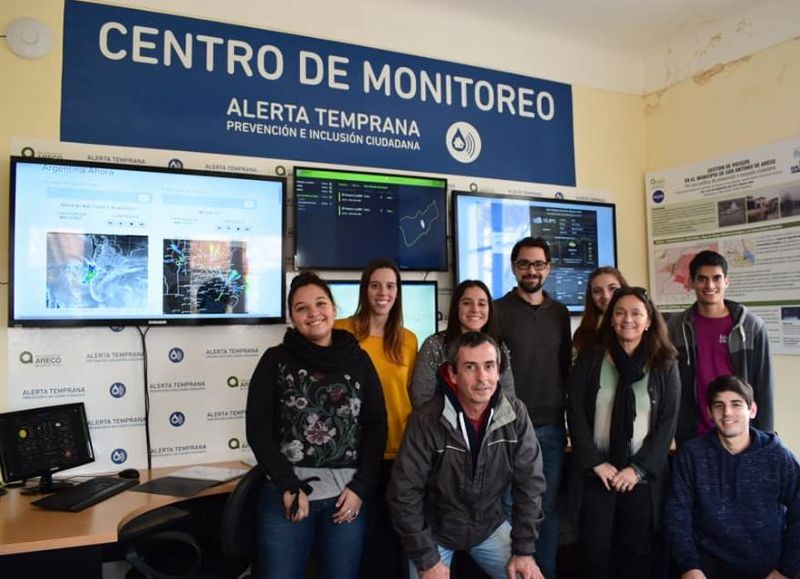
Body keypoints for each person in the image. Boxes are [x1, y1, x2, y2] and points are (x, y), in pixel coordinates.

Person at [245, 271, 388, 579]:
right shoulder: (275, 360)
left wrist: (361, 488)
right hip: (289, 496)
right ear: (292, 317)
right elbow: (258, 429)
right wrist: (286, 484)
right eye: (301, 308)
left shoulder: (359, 360)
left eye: (320, 303)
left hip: (346, 499)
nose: (313, 313)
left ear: (334, 309)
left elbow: (376, 427)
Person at [388, 331, 546, 579]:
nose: (482, 377)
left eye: (489, 366)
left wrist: (524, 550)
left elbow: (531, 484)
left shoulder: (515, 413)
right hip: (434, 533)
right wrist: (427, 559)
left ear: (498, 370)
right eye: (470, 367)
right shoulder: (426, 420)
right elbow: (404, 493)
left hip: (488, 526)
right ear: (453, 374)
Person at [567, 286, 680, 579]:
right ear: (611, 318)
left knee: (637, 554)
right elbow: (575, 410)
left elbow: (668, 422)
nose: (627, 319)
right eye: (619, 312)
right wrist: (594, 462)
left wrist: (638, 469)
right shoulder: (592, 358)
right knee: (594, 553)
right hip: (598, 473)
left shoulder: (664, 363)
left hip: (640, 477)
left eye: (635, 313)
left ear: (649, 320)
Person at [664, 375, 800, 579]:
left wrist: (786, 570)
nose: (727, 413)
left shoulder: (778, 456)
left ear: (752, 410)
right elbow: (677, 515)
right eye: (719, 405)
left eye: (736, 404)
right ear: (710, 412)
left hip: (767, 571)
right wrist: (689, 566)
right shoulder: (692, 455)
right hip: (704, 570)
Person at [335, 257, 418, 579]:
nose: (383, 292)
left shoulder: (408, 339)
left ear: (397, 292)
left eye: (390, 286)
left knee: (392, 539)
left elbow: (413, 395)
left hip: (398, 452)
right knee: (358, 542)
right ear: (364, 290)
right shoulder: (342, 331)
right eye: (375, 285)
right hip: (353, 455)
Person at [494, 236, 571, 579]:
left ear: (548, 269)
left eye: (538, 264)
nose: (531, 271)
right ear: (513, 267)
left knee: (546, 509)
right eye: (524, 264)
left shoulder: (560, 313)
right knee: (511, 508)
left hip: (552, 427)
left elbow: (565, 368)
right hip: (509, 428)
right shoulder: (497, 311)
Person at [666, 249, 774, 446]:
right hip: (693, 435)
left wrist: (765, 437)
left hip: (741, 434)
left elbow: (763, 385)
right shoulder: (676, 327)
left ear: (727, 281)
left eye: (716, 278)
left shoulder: (751, 326)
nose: (710, 285)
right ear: (691, 282)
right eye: (702, 279)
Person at [410, 279, 515, 408]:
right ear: (456, 307)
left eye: (482, 304)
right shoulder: (434, 345)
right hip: (440, 426)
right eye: (467, 303)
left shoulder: (499, 347)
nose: (475, 309)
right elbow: (422, 398)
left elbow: (508, 397)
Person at [572, 266, 629, 354]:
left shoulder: (636, 327)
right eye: (597, 291)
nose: (606, 296)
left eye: (612, 288)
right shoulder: (582, 334)